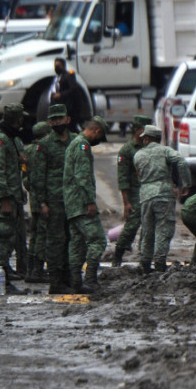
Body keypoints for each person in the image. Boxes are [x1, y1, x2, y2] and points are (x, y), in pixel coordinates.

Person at [133, 125, 191, 273]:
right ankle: (159, 262)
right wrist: (185, 183)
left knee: (147, 230)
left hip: (145, 194)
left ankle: (145, 262)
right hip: (164, 194)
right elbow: (181, 162)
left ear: (146, 139)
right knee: (163, 229)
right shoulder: (165, 151)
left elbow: (138, 175)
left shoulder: (138, 155)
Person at [34, 104, 79, 294]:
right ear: (49, 122)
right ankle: (56, 281)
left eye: (60, 118)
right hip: (53, 202)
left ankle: (70, 279)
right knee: (55, 242)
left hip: (72, 201)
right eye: (53, 119)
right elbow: (38, 176)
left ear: (67, 120)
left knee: (73, 240)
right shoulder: (44, 145)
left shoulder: (76, 141)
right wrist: (41, 203)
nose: (57, 122)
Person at [63, 116, 110, 292]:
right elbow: (82, 177)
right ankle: (90, 279)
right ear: (97, 131)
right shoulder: (82, 146)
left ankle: (75, 281)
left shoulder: (74, 143)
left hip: (72, 204)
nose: (98, 141)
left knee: (77, 243)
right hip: (82, 203)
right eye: (100, 136)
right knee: (97, 240)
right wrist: (90, 202)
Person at [0, 103, 29, 294]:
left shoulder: (11, 139)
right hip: (5, 198)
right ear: (18, 119)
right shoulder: (1, 141)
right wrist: (3, 199)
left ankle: (4, 273)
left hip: (13, 197)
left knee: (13, 236)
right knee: (3, 237)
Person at [113, 115, 152, 268]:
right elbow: (123, 178)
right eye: (144, 129)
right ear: (137, 130)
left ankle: (145, 259)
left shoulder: (150, 147)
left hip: (149, 190)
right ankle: (118, 254)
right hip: (135, 192)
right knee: (132, 225)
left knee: (150, 226)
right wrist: (126, 202)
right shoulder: (127, 151)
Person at [24, 121, 52, 283]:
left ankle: (31, 268)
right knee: (42, 235)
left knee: (34, 235)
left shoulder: (27, 151)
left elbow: (26, 179)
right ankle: (37, 271)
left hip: (34, 199)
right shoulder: (44, 150)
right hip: (44, 199)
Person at [49, 58, 84, 132]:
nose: (56, 67)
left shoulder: (69, 75)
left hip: (69, 106)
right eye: (55, 65)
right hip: (60, 106)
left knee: (71, 127)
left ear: (63, 66)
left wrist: (61, 94)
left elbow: (73, 89)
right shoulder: (56, 78)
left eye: (58, 65)